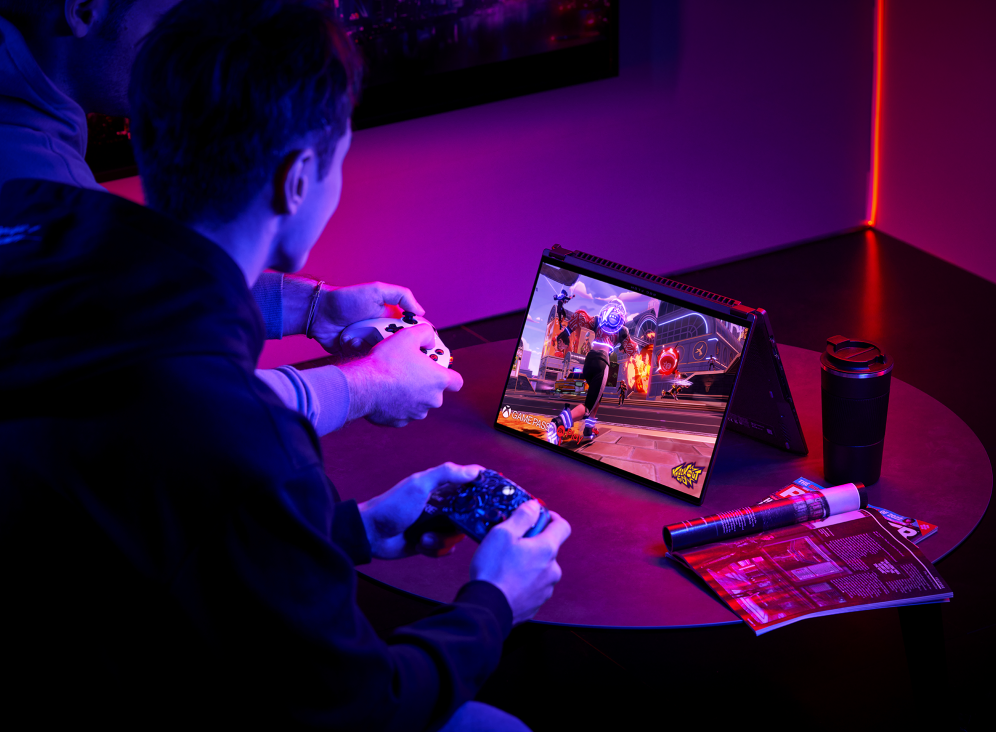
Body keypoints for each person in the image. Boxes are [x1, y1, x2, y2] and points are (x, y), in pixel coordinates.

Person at [0, 1, 570, 729]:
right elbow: (367, 709)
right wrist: (495, 602)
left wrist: (354, 527)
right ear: (298, 180)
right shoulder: (248, 438)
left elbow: (164, 529)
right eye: (337, 163)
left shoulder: (47, 257)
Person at [0, 0, 453, 435]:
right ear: (84, 9)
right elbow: (185, 413)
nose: (181, 46)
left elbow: (111, 284)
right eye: (168, 19)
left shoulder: (35, 149)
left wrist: (314, 309)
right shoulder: (35, 183)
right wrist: (370, 385)